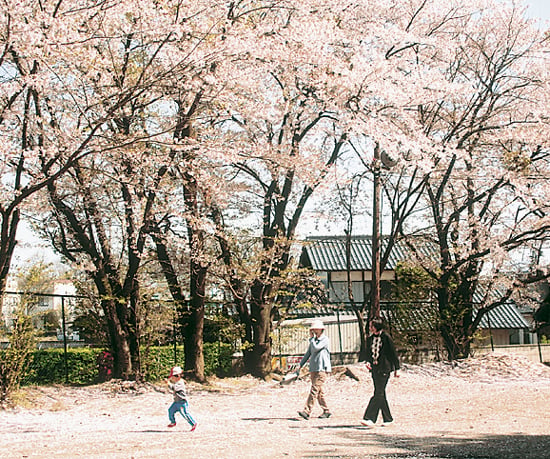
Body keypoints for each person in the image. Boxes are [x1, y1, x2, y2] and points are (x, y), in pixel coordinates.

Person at [361, 318, 400, 428]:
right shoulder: (370, 339)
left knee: (378, 393)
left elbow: (393, 353)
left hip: (385, 368)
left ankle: (369, 418)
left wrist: (397, 368)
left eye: (372, 325)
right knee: (380, 393)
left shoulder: (386, 337)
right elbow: (368, 353)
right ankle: (388, 418)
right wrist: (368, 362)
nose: (370, 327)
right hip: (374, 369)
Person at [296, 319, 332, 420]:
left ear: (321, 329)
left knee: (314, 390)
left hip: (322, 368)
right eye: (313, 329)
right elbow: (308, 353)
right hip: (314, 368)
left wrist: (311, 339)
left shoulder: (324, 340)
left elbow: (316, 348)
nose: (314, 331)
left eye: (316, 329)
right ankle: (326, 410)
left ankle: (307, 411)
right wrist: (300, 364)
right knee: (318, 391)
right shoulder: (313, 341)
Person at [166, 366, 197, 431]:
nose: (172, 378)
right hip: (176, 402)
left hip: (182, 402)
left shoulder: (180, 383)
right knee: (170, 411)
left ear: (177, 376)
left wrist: (168, 384)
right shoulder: (177, 382)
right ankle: (173, 422)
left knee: (185, 414)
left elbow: (174, 388)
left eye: (173, 376)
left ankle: (193, 423)